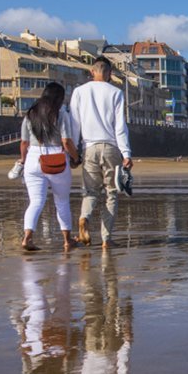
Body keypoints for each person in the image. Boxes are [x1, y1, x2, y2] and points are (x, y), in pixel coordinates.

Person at [70, 57, 132, 249]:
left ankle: (84, 218)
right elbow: (120, 126)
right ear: (109, 73)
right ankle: (106, 239)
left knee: (90, 192)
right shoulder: (116, 92)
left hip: (89, 147)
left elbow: (74, 124)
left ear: (92, 71)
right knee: (111, 194)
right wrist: (126, 153)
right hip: (111, 147)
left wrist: (74, 153)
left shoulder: (79, 92)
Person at [15, 82, 81, 251]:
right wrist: (76, 157)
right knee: (62, 201)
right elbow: (66, 141)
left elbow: (24, 142)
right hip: (56, 158)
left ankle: (27, 238)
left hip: (33, 158)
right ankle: (67, 240)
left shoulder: (30, 114)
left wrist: (23, 160)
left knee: (35, 202)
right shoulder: (61, 114)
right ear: (59, 98)